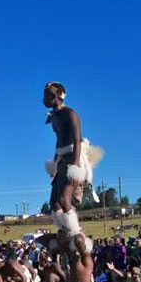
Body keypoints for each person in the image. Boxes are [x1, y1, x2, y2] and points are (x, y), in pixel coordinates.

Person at [43, 82, 101, 235]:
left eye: (45, 96)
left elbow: (77, 141)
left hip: (74, 159)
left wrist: (74, 166)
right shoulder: (55, 118)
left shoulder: (70, 114)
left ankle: (75, 231)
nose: (43, 100)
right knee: (54, 203)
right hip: (63, 160)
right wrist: (55, 162)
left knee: (64, 198)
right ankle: (65, 228)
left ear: (55, 96)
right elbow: (59, 141)